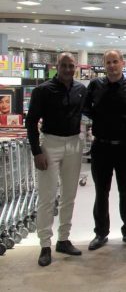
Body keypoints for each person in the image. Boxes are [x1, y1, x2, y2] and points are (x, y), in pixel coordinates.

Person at [25, 52, 86, 267]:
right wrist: (37, 152)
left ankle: (63, 239)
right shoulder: (43, 90)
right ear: (56, 66)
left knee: (69, 195)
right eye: (64, 65)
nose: (68, 69)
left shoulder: (81, 89)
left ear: (75, 67)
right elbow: (31, 121)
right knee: (47, 196)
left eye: (71, 66)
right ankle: (44, 245)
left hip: (74, 144)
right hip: (50, 143)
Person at [84, 50, 126, 250]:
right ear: (104, 65)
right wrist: (100, 118)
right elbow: (85, 107)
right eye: (108, 62)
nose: (112, 66)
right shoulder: (95, 85)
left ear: (122, 63)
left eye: (115, 62)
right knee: (101, 193)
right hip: (101, 147)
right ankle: (100, 233)